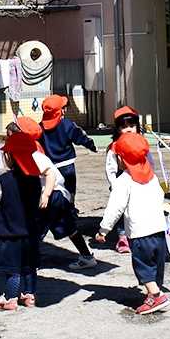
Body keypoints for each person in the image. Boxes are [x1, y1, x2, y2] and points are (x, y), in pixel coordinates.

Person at [0, 117, 59, 311]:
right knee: (29, 266)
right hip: (30, 233)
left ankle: (9, 298)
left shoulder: (4, 180)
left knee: (12, 269)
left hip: (9, 233)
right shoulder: (35, 180)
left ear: (10, 156)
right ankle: (29, 295)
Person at [94, 132, 170, 314]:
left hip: (140, 232)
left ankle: (157, 296)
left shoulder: (124, 181)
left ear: (121, 158)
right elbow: (160, 196)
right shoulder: (151, 176)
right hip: (159, 229)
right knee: (156, 265)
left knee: (143, 266)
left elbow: (115, 208)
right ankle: (153, 294)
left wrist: (103, 230)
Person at [38, 93, 101, 270]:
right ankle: (69, 209)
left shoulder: (40, 127)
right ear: (61, 111)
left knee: (44, 212)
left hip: (47, 170)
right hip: (66, 169)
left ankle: (29, 257)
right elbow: (80, 136)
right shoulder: (66, 124)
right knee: (63, 204)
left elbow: (34, 143)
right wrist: (91, 145)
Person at [103, 106, 144, 253]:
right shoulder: (114, 147)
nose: (128, 129)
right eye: (124, 126)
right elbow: (110, 169)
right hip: (121, 185)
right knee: (121, 211)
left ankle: (137, 235)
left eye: (132, 126)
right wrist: (115, 186)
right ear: (117, 128)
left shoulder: (142, 142)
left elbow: (149, 162)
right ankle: (122, 237)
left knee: (136, 211)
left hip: (139, 184)